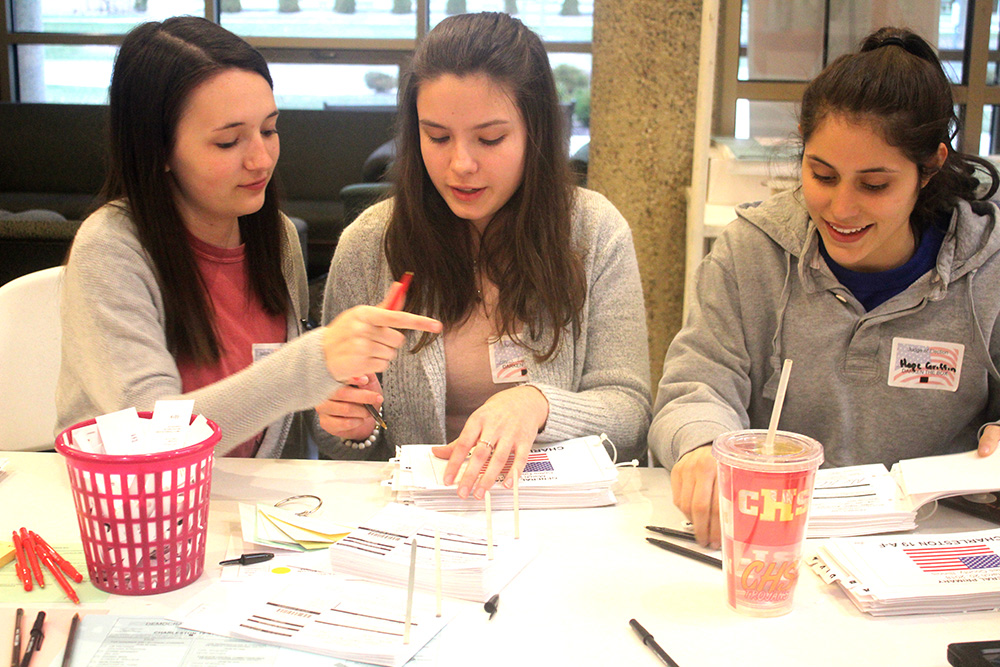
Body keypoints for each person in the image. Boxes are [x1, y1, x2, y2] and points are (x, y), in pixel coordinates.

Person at [649, 27, 1000, 547]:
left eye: (874, 185)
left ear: (930, 169)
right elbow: (694, 387)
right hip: (771, 537)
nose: (841, 209)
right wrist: (702, 445)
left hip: (933, 548)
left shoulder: (987, 268)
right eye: (823, 175)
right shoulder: (753, 252)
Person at [56, 17, 440, 457]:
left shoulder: (275, 237)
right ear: (158, 149)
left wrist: (343, 418)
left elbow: (280, 433)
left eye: (269, 129)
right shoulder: (111, 250)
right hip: (130, 514)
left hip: (243, 507)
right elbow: (149, 437)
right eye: (228, 142)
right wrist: (315, 362)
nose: (261, 159)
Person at [320, 12, 651, 496]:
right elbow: (339, 439)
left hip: (550, 517)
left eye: (490, 139)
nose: (461, 164)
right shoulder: (369, 244)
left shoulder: (594, 232)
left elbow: (631, 414)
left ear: (535, 132)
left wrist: (537, 404)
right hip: (420, 522)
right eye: (436, 137)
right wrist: (349, 427)